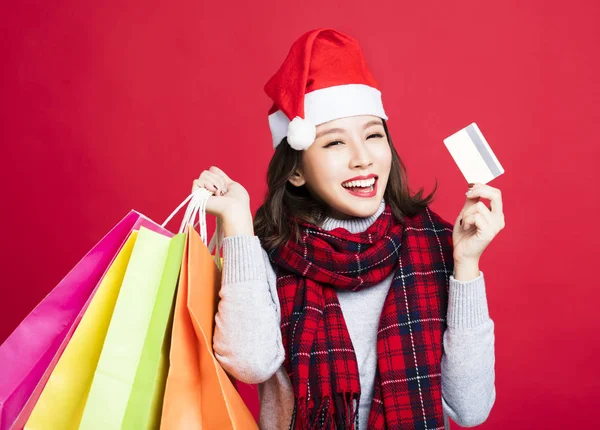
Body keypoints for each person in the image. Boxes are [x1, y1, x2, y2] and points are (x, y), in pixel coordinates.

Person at [192, 28, 503, 430]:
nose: (362, 159)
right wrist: (235, 226)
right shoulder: (264, 252)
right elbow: (249, 364)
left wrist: (467, 266)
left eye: (374, 135)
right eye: (335, 143)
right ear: (297, 170)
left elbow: (470, 407)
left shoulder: (435, 247)